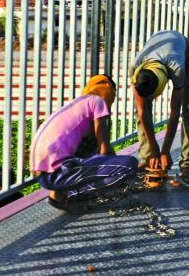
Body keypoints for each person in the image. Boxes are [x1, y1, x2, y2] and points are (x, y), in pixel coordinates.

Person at [32, 75, 138, 211]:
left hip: (42, 173)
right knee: (129, 166)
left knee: (93, 155)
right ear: (108, 92)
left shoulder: (78, 104)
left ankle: (59, 193)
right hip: (56, 174)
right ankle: (69, 194)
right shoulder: (97, 102)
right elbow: (105, 151)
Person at [130, 30, 189, 184]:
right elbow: (142, 112)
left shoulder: (177, 68)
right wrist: (155, 150)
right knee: (140, 110)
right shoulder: (135, 68)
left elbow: (174, 114)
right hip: (159, 52)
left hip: (185, 56)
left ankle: (186, 164)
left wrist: (165, 151)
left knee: (188, 109)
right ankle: (147, 158)